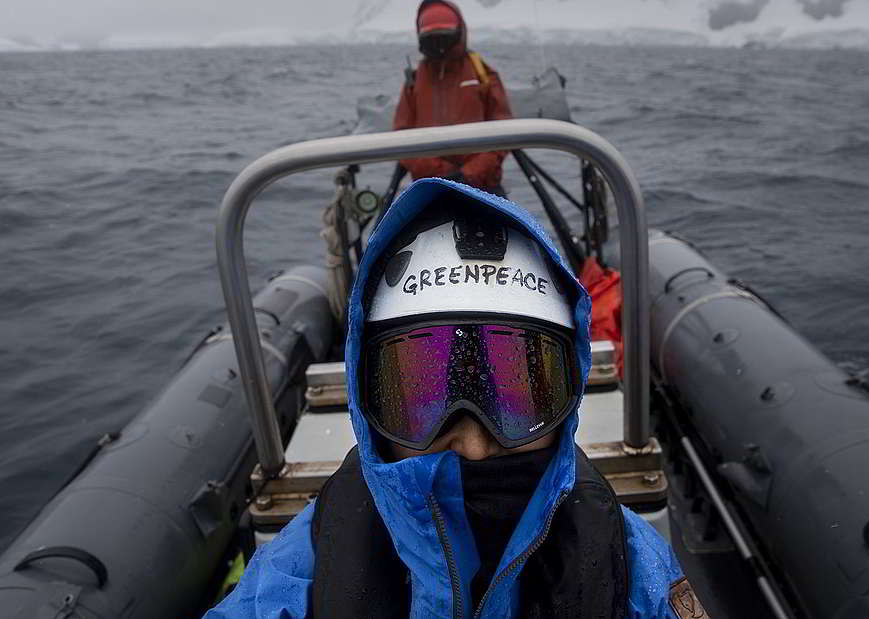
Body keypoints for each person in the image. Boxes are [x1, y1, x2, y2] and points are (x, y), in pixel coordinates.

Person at [206, 178, 703, 618]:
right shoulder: (299, 572)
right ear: (367, 401)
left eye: (517, 394)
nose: (474, 445)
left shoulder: (632, 568)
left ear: (567, 402)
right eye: (422, 395)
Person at [392, 0, 513, 195]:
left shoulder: (482, 74)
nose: (439, 44)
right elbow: (402, 132)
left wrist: (473, 171)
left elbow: (504, 125)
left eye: (444, 36)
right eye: (432, 38)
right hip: (431, 189)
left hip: (482, 185)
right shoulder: (414, 81)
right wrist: (438, 172)